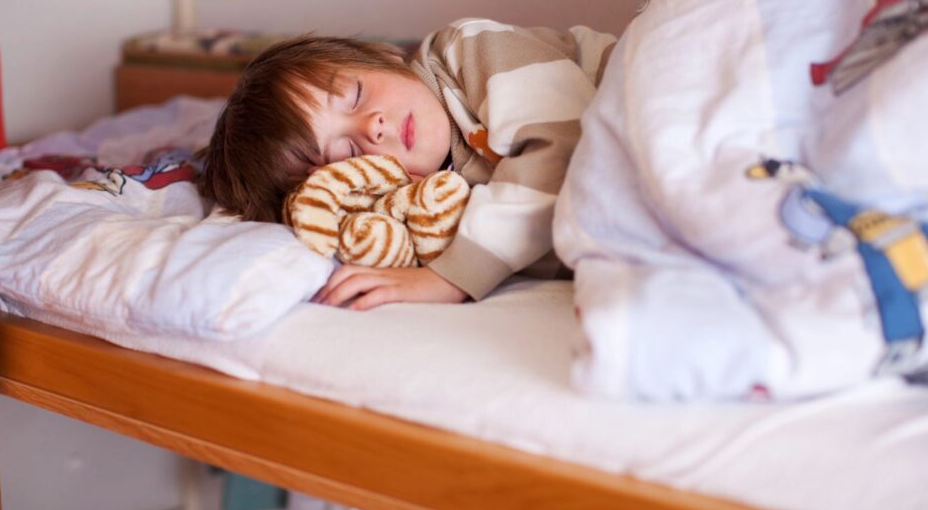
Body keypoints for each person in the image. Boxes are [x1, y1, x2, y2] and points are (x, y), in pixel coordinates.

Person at [200, 18, 616, 310]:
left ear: (385, 56)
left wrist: (450, 278)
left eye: (356, 94)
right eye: (346, 154)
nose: (373, 128)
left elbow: (563, 148)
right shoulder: (417, 213)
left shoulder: (467, 52)